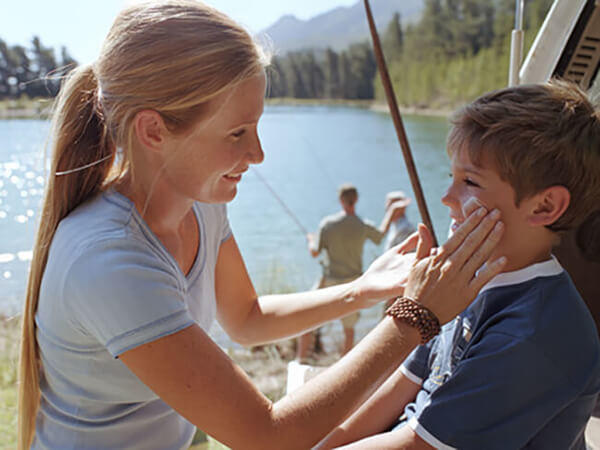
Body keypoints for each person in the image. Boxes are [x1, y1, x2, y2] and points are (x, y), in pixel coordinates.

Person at [16, 2, 506, 449]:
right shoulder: (109, 260)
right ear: (153, 131)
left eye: (256, 127)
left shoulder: (200, 203)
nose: (258, 154)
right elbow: (266, 436)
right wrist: (413, 316)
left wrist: (361, 289)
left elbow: (247, 319)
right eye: (237, 133)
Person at [317, 80, 600, 450]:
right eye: (452, 177)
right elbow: (396, 391)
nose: (447, 197)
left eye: (470, 182)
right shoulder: (463, 284)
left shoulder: (537, 333)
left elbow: (420, 445)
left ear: (544, 207)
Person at [298, 184, 402, 359]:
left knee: (306, 320)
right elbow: (380, 236)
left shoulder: (328, 224)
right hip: (353, 283)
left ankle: (300, 360)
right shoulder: (362, 225)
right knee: (349, 330)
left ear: (340, 201)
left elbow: (315, 252)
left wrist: (310, 240)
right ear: (357, 200)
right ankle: (342, 366)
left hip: (329, 281)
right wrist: (391, 212)